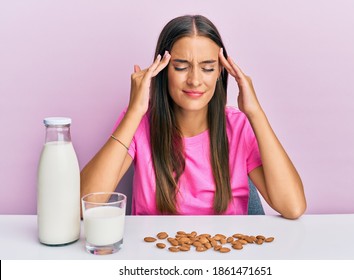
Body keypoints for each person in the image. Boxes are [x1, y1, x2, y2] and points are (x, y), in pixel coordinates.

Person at [80, 15, 306, 219]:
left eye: (208, 68)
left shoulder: (237, 126)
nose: (195, 80)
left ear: (220, 72)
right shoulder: (139, 123)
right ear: (162, 70)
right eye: (181, 67)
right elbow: (83, 206)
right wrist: (134, 111)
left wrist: (255, 112)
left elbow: (293, 207)